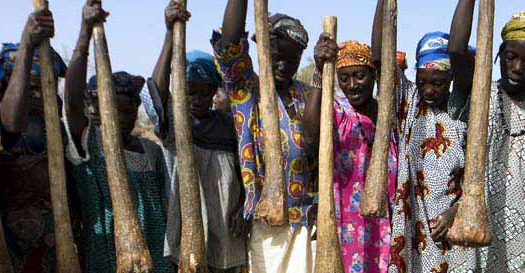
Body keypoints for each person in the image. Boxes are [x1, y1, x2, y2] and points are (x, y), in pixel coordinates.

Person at [447, 2, 525, 271]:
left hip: (524, 235)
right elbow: (456, 49)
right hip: (473, 227)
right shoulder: (479, 94)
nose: (517, 67)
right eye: (510, 57)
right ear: (499, 54)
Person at [62, 2, 171, 272]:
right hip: (108, 259)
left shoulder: (151, 151)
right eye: (114, 110)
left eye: (128, 110)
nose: (121, 117)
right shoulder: (90, 142)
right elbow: (72, 104)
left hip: (155, 258)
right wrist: (84, 33)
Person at [368, 0, 476, 271]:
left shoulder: (462, 111)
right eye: (422, 82)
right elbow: (380, 57)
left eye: (437, 83)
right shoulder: (409, 105)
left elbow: (477, 178)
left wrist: (456, 212)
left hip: (450, 231)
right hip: (412, 227)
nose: (429, 90)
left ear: (450, 79)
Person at [213, 0, 317, 272]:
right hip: (265, 224)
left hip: (305, 221)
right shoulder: (246, 90)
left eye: (292, 60)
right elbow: (229, 46)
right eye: (276, 57)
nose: (283, 65)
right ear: (262, 53)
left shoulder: (306, 97)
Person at [146, 2, 248, 272]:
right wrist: (170, 34)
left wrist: (242, 206)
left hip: (226, 231)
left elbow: (244, 172)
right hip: (187, 233)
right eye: (190, 91)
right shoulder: (176, 124)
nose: (197, 99)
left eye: (205, 92)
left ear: (215, 92)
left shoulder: (227, 125)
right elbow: (154, 91)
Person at [0, 9, 73, 272]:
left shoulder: (55, 132)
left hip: (50, 230)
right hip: (10, 230)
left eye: (41, 87)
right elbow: (12, 123)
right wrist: (27, 45)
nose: (34, 95)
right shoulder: (5, 129)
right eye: (28, 87)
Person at [304, 38, 399, 273]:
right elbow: (309, 132)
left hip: (388, 220)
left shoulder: (391, 114)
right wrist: (319, 71)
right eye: (344, 78)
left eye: (359, 76)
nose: (352, 85)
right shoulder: (337, 112)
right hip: (349, 222)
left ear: (373, 75)